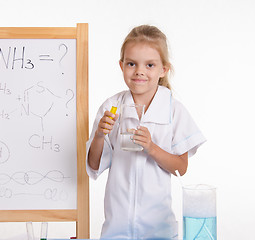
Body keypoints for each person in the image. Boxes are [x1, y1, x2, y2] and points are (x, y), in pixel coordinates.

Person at [86, 25, 206, 239]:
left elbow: (181, 168)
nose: (139, 71)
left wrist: (152, 148)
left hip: (158, 231)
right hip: (117, 230)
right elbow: (94, 165)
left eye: (149, 65)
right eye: (131, 64)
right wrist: (98, 136)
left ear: (163, 69)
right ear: (121, 66)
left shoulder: (173, 110)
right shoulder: (111, 107)